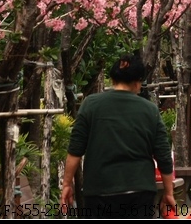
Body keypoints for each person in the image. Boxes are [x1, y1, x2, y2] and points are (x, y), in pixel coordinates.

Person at [60, 53, 174, 218]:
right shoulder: (149, 110)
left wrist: (66, 184)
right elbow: (163, 155)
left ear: (113, 79)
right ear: (138, 82)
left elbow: (75, 150)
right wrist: (168, 192)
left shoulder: (90, 105)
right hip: (139, 190)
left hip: (99, 191)